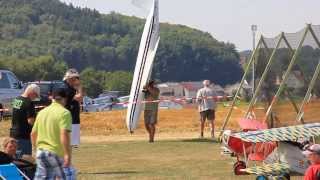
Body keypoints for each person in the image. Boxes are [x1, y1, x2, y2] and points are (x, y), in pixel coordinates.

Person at [31, 88, 72, 180]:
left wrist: (35, 150)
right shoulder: (64, 113)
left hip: (41, 152)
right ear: (65, 99)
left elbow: (33, 134)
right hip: (55, 152)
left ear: (52, 98)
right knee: (66, 177)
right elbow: (64, 134)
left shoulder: (41, 112)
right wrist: (67, 154)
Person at [10, 84, 40, 155]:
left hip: (13, 134)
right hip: (24, 136)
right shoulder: (29, 103)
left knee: (15, 158)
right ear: (32, 92)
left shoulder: (17, 99)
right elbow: (30, 121)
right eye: (36, 95)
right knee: (24, 161)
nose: (35, 98)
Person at [61, 68, 83, 146]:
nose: (76, 80)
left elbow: (79, 99)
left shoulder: (71, 87)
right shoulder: (66, 88)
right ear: (69, 78)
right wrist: (80, 87)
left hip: (72, 115)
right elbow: (79, 98)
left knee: (73, 141)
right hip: (68, 115)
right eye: (74, 78)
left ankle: (73, 144)